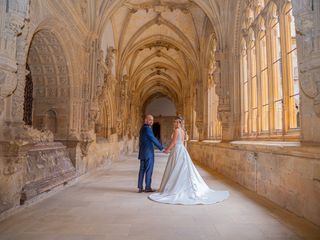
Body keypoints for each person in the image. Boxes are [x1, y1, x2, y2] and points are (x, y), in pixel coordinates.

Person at [149, 116, 229, 204]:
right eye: (174, 122)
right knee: (181, 167)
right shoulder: (183, 131)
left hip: (177, 150)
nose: (174, 123)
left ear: (179, 123)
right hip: (182, 150)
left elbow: (174, 142)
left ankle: (175, 187)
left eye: (175, 122)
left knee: (176, 167)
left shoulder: (176, 130)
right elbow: (182, 142)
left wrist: (167, 149)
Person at [138, 115, 164, 193]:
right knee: (149, 170)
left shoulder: (142, 128)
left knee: (142, 170)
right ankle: (148, 187)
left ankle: (140, 187)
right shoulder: (147, 129)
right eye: (150, 120)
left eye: (152, 120)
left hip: (142, 152)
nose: (151, 121)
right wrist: (161, 148)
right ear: (145, 120)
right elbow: (153, 139)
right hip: (148, 153)